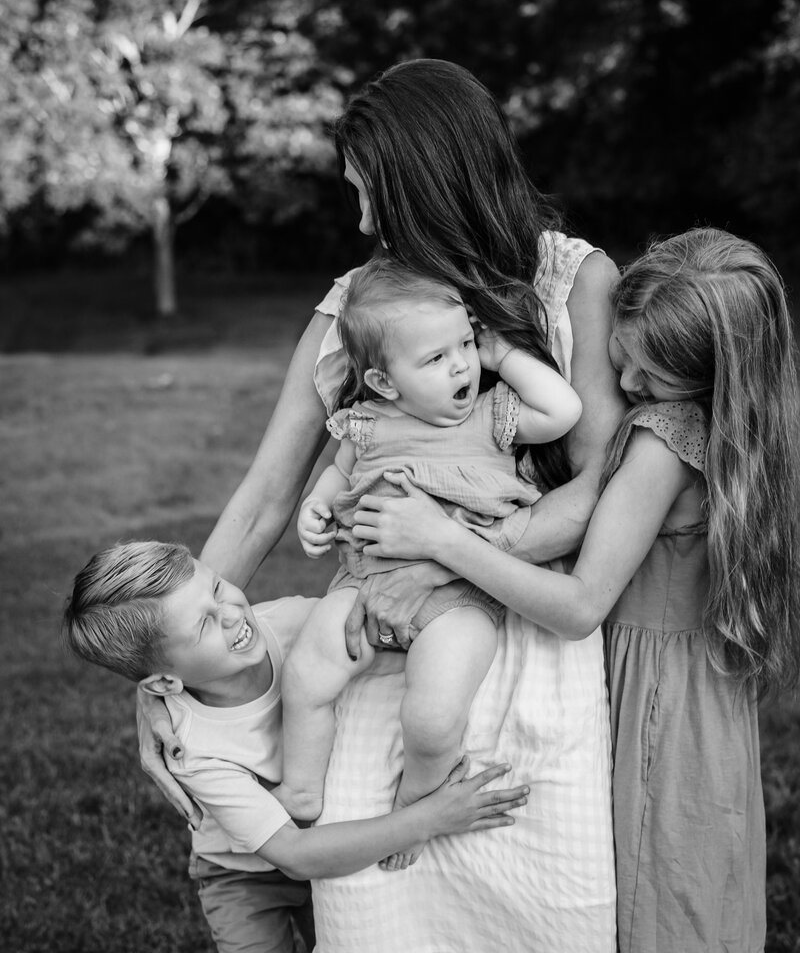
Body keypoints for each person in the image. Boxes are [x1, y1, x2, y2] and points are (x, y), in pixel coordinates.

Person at [139, 58, 624, 953]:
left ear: (427, 186)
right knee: (377, 911)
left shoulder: (574, 280)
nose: (360, 222)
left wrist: (451, 543)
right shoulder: (359, 308)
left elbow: (596, 483)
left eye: (370, 196)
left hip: (520, 615)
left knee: (544, 902)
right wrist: (170, 667)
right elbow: (266, 498)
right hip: (374, 633)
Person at [361, 228, 800, 953]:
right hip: (698, 690)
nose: (626, 389)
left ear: (707, 374)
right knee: (696, 880)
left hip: (651, 695)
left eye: (651, 380)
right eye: (622, 359)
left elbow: (580, 606)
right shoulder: (739, 426)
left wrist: (443, 542)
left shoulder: (664, 439)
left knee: (658, 894)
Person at [64, 540, 529, 953]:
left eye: (219, 587)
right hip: (244, 874)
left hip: (328, 843)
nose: (231, 613)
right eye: (204, 625)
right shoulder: (194, 750)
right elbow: (295, 852)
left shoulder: (292, 622)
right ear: (165, 680)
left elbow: (389, 634)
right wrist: (429, 819)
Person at [276, 258, 581, 862]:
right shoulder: (366, 423)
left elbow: (564, 412)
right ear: (385, 383)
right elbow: (336, 474)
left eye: (464, 344)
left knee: (434, 714)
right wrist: (315, 507)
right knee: (308, 669)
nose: (462, 364)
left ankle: (417, 800)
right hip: (362, 581)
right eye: (436, 359)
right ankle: (301, 787)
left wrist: (503, 356)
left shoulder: (493, 415)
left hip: (460, 596)